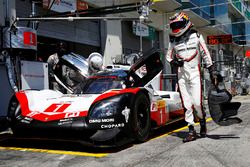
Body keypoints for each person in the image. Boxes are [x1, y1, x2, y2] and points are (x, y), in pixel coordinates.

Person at [166, 12, 215, 142]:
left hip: (195, 73)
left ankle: (202, 120)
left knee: (197, 103)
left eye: (177, 24)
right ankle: (191, 130)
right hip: (181, 74)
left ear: (185, 23)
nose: (175, 27)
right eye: (174, 25)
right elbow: (168, 57)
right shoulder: (173, 41)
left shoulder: (197, 36)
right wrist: (174, 62)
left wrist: (212, 70)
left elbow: (205, 53)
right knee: (187, 104)